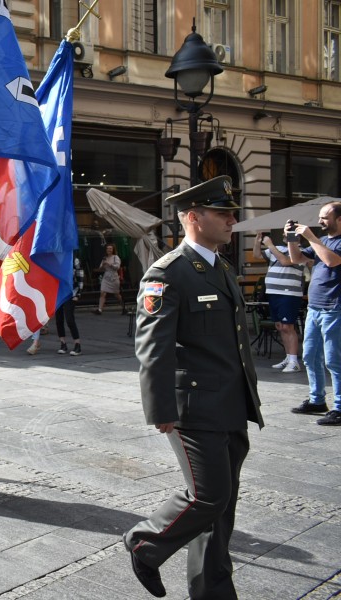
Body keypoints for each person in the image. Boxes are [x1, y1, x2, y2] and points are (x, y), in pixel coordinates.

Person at [124, 176, 263, 600]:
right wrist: (161, 409)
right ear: (193, 217)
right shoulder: (168, 273)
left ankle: (212, 592)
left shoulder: (221, 267)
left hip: (230, 404)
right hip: (193, 406)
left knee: (222, 511)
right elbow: (152, 348)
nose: (231, 219)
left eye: (231, 212)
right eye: (222, 213)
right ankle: (145, 543)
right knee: (208, 497)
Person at [286, 202, 341, 425]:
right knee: (309, 356)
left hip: (335, 309)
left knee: (334, 360)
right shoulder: (323, 240)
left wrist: (310, 237)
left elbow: (331, 260)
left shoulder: (330, 243)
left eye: (325, 218)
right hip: (315, 308)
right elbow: (296, 259)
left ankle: (339, 406)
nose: (320, 222)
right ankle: (317, 399)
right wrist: (291, 239)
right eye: (320, 217)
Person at [252, 231, 304, 372]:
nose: (287, 237)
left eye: (292, 235)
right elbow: (256, 255)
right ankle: (288, 357)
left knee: (288, 327)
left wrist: (270, 245)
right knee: (280, 326)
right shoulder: (278, 249)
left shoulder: (301, 252)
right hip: (274, 293)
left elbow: (285, 261)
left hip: (289, 294)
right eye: (286, 234)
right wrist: (257, 240)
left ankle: (294, 361)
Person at [55, 255, 84, 356]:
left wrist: (78, 294)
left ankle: (77, 344)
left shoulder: (74, 260)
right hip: (58, 293)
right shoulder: (56, 259)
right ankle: (62, 343)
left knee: (69, 319)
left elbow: (80, 277)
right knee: (58, 319)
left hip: (71, 293)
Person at [94, 243, 124, 315]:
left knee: (116, 294)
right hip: (106, 277)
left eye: (110, 248)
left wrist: (109, 264)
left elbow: (117, 267)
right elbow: (101, 268)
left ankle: (123, 306)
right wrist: (102, 266)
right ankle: (100, 310)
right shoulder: (104, 258)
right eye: (107, 248)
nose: (109, 250)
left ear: (113, 249)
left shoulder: (115, 257)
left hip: (113, 277)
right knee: (102, 293)